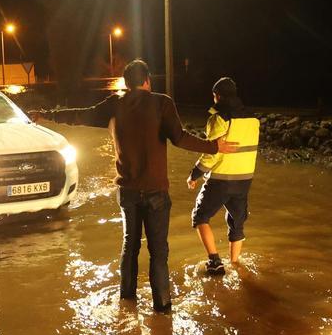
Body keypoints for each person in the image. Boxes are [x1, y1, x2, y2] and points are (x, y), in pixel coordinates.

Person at [30, 60, 238, 313]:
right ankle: (162, 309)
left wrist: (46, 115)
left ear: (127, 84)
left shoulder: (115, 104)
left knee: (130, 245)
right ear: (148, 80)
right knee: (158, 251)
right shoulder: (163, 102)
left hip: (128, 191)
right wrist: (214, 146)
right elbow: (180, 138)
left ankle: (126, 304)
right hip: (156, 191)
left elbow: (79, 115)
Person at [186, 77, 260, 275]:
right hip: (245, 179)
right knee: (237, 222)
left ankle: (215, 261)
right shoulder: (253, 119)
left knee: (200, 216)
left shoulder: (219, 118)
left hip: (221, 179)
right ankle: (235, 264)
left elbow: (213, 152)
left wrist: (195, 174)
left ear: (217, 96)